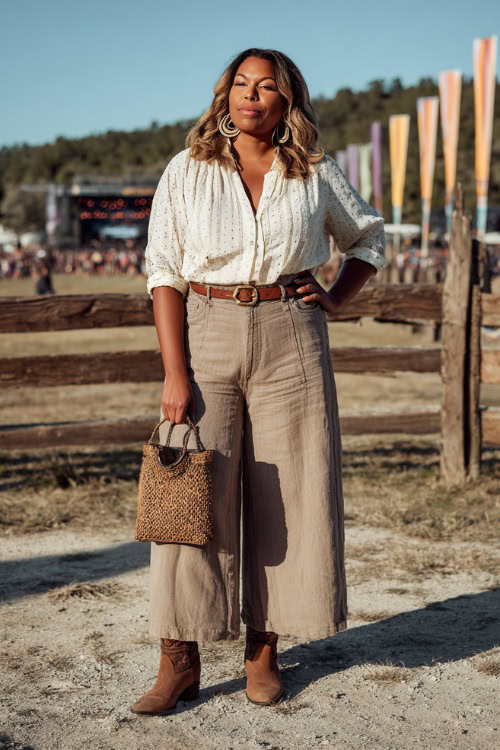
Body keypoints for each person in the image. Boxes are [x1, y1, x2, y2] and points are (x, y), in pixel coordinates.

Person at [130, 48, 386, 716]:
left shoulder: (313, 171)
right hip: (207, 326)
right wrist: (175, 372)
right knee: (190, 494)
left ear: (286, 100)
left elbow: (367, 239)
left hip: (291, 333)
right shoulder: (188, 168)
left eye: (266, 86)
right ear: (226, 96)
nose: (252, 95)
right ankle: (178, 659)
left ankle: (263, 651)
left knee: (289, 493)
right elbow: (163, 271)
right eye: (241, 84)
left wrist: (331, 296)